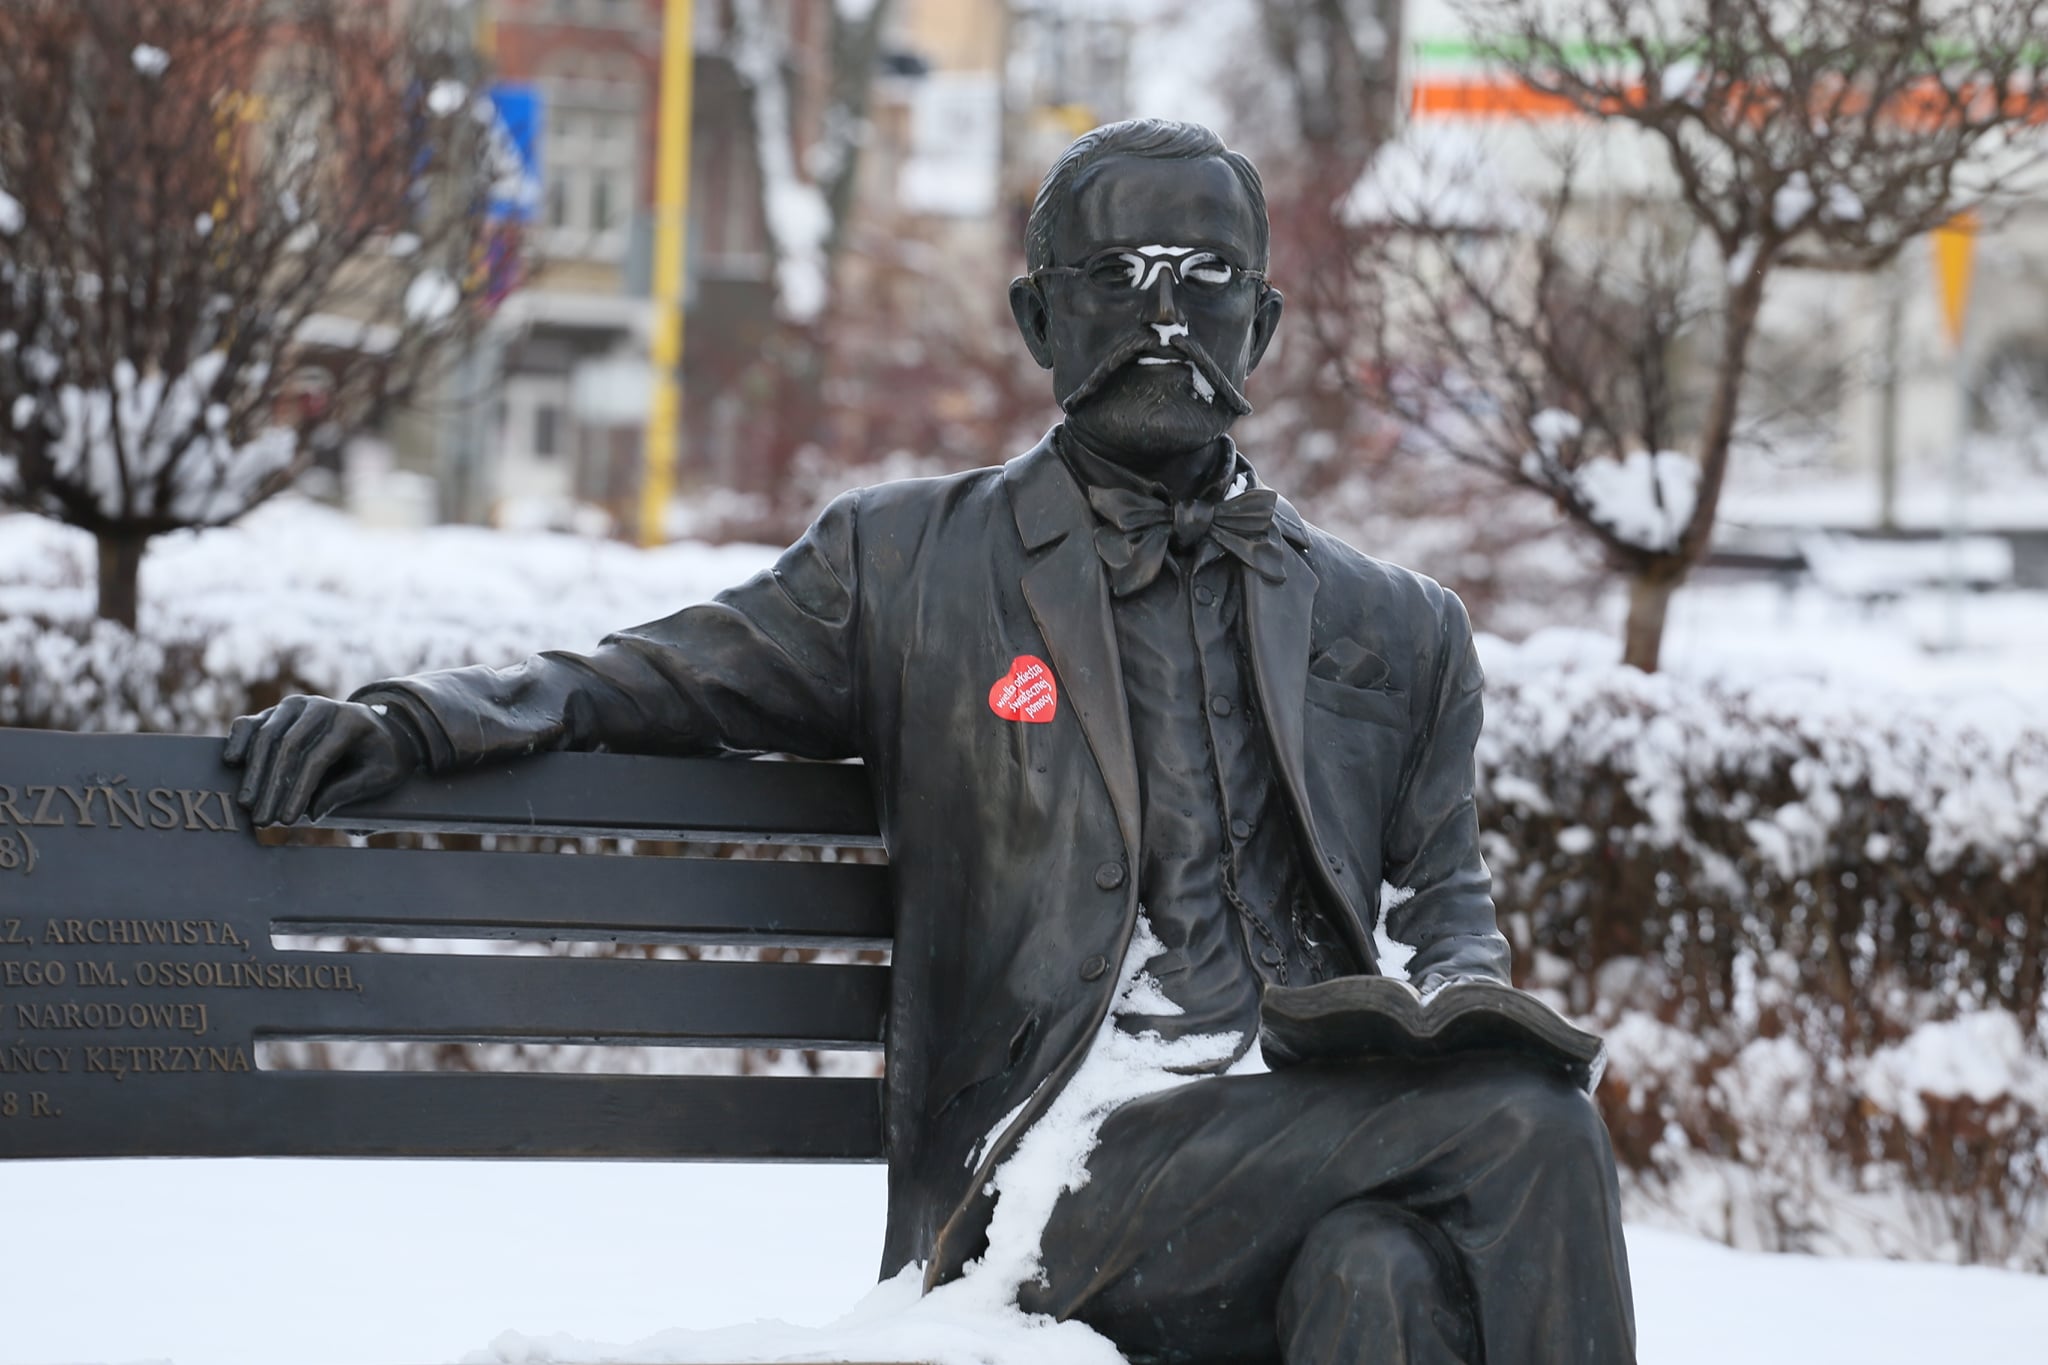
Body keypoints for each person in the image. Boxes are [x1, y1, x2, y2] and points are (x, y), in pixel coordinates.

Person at [227, 119, 1636, 1364]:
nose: (1163, 313)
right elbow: (645, 678)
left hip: (1309, 1143)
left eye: (1202, 276)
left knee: (1375, 1276)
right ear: (1037, 320)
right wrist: (411, 716)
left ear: (1263, 324)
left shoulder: (1401, 630)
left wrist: (1457, 1000)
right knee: (1532, 1127)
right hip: (1056, 1176)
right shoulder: (906, 566)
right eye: (1115, 277)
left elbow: (1448, 915)